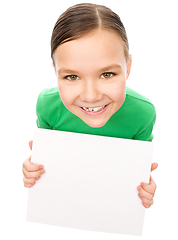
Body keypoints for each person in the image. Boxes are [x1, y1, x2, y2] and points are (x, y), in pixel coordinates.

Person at [22, 3, 158, 208]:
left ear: (128, 67)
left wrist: (142, 190)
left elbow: (131, 175)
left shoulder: (143, 114)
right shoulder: (47, 105)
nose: (91, 96)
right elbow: (49, 166)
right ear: (55, 72)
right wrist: (33, 170)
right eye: (72, 76)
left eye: (107, 74)